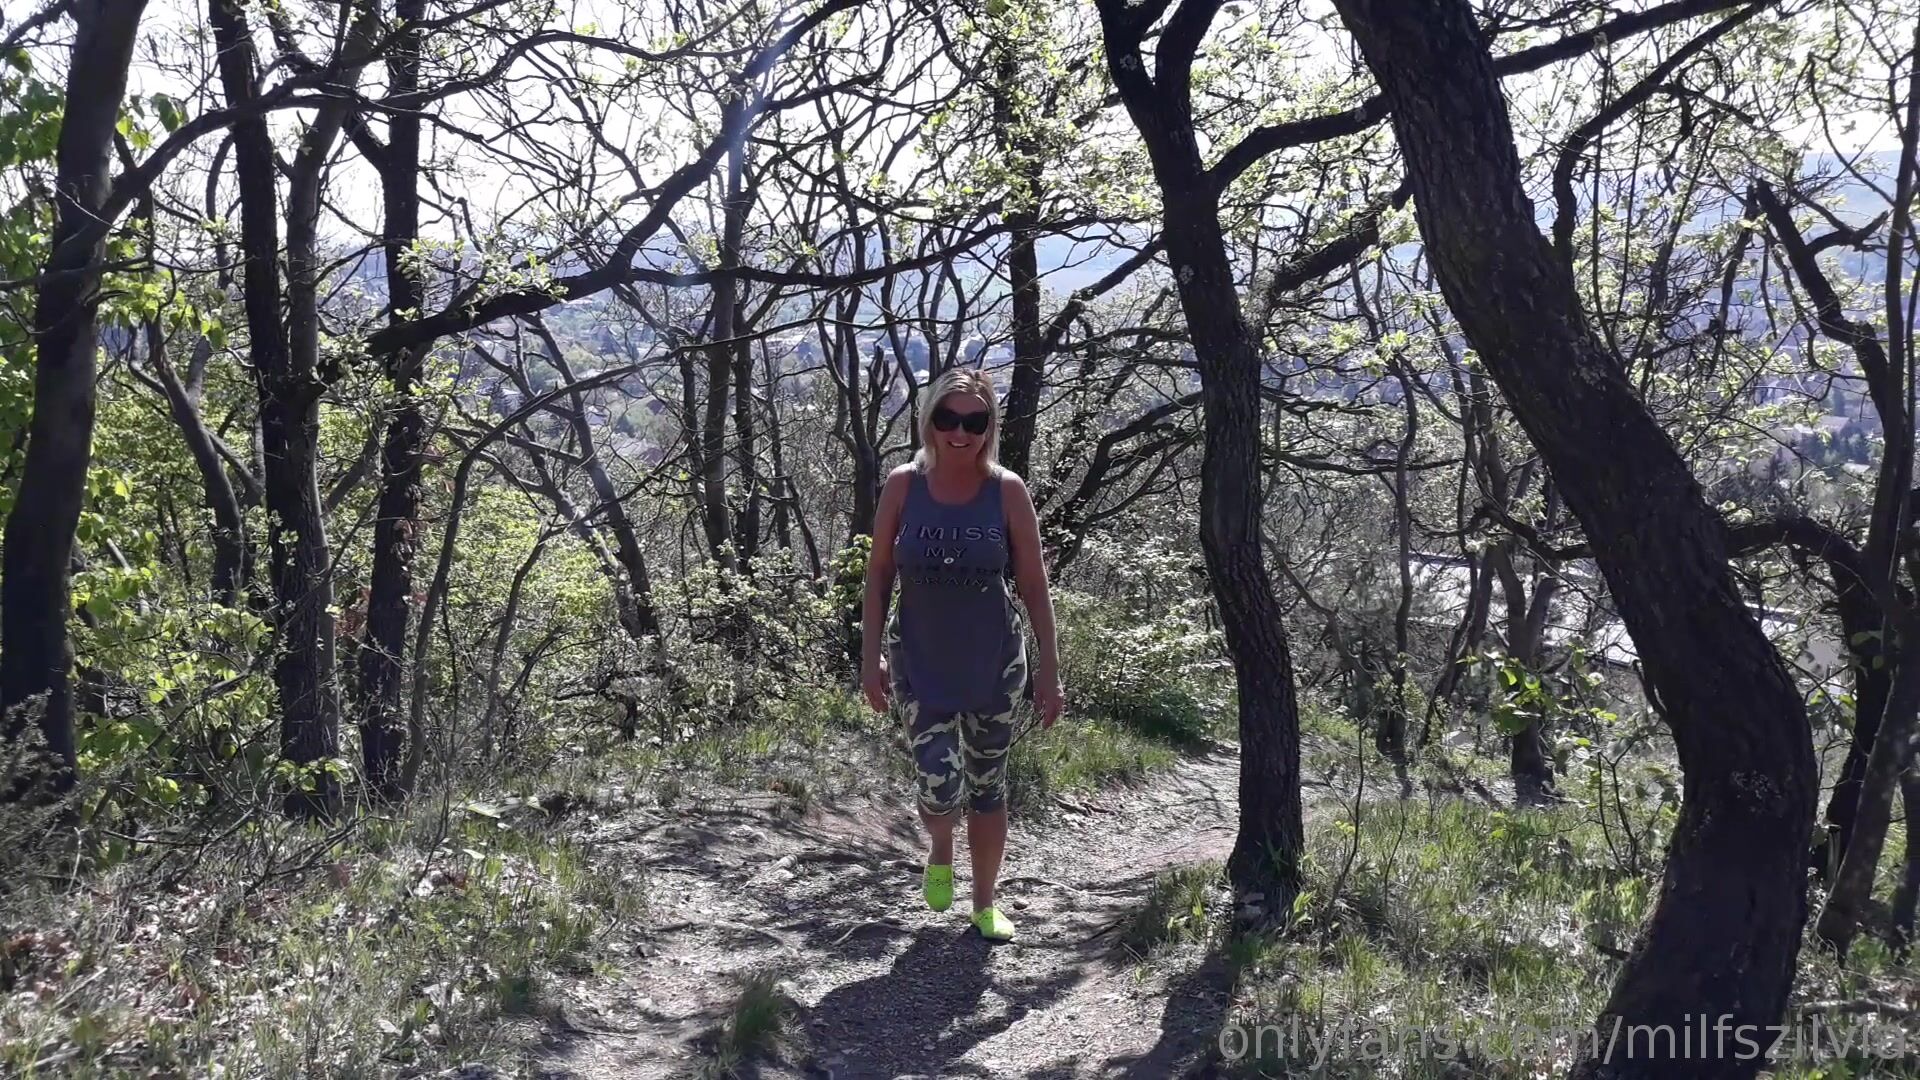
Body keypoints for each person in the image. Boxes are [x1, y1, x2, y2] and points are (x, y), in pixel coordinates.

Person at [861, 367, 1065, 942]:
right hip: (918, 658)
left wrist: (1049, 672)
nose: (960, 433)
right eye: (948, 419)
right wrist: (869, 658)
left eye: (974, 422)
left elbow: (1034, 584)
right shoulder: (904, 485)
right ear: (930, 422)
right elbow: (878, 575)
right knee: (938, 781)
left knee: (988, 784)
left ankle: (984, 903)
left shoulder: (1007, 490)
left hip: (993, 662)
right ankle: (941, 845)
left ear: (989, 428)